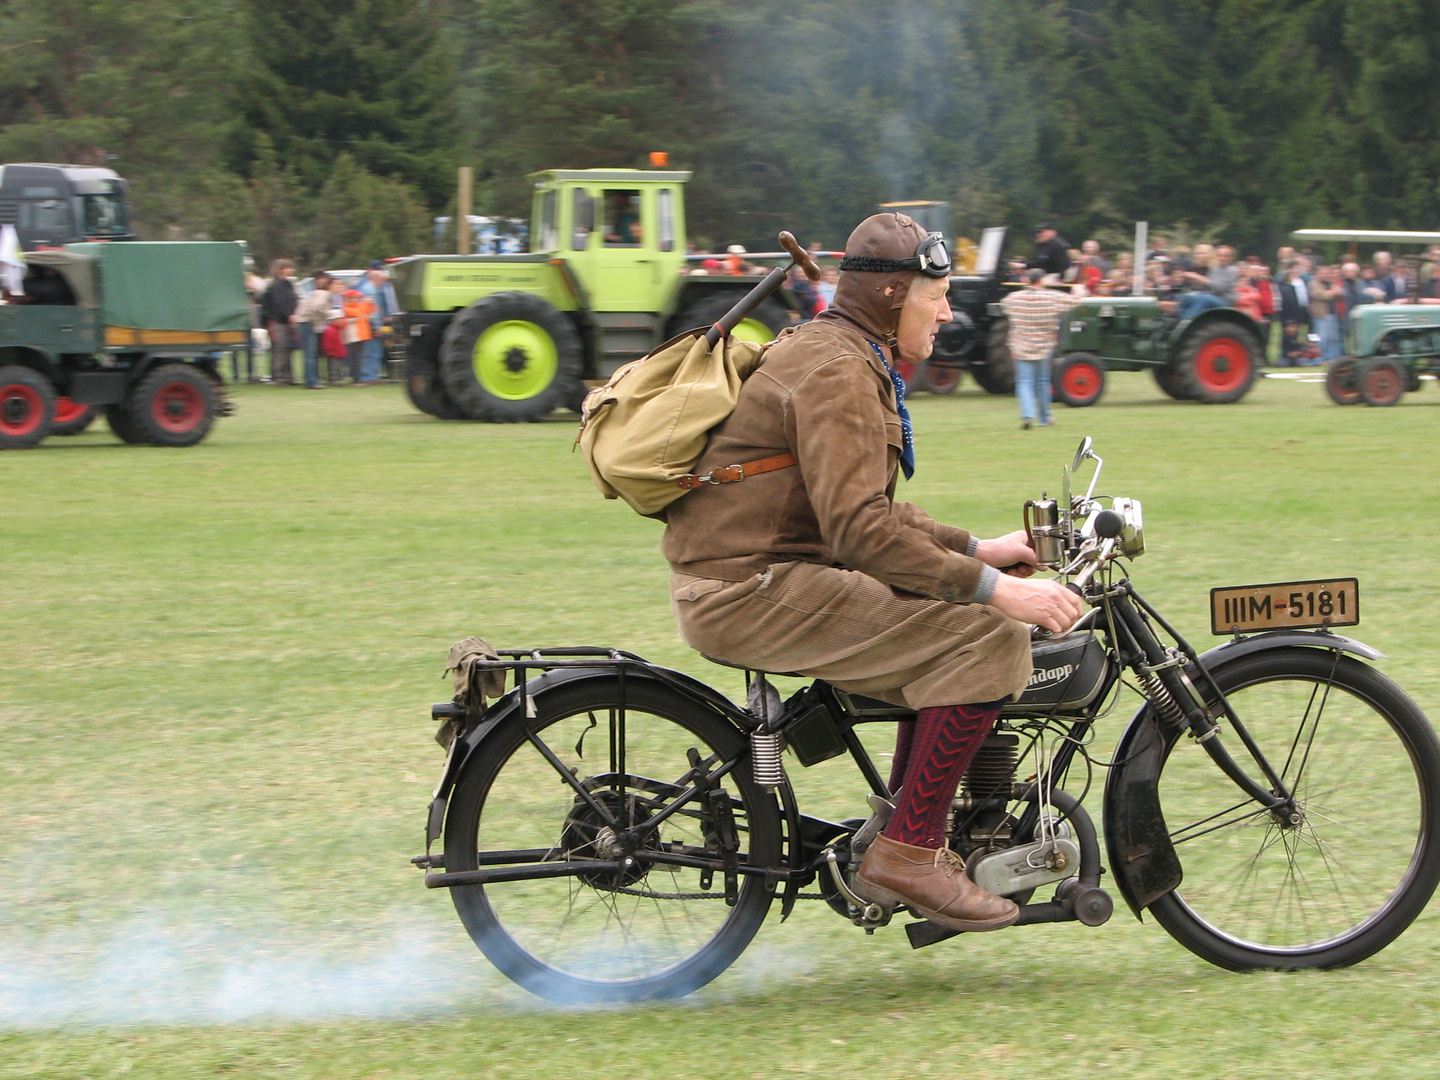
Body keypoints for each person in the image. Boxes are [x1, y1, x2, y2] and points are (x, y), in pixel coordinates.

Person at [663, 212, 1083, 933]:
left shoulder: (839, 350)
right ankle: (908, 855)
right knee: (989, 640)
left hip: (763, 575)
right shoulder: (839, 371)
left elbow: (868, 509)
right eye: (938, 294)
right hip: (752, 589)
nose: (948, 311)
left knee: (950, 630)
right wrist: (1002, 591)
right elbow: (860, 533)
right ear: (894, 293)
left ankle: (904, 839)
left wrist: (978, 548)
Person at [1002, 268, 1077, 429]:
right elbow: (1074, 301)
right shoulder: (1051, 297)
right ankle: (1044, 418)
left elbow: (1004, 306)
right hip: (1044, 345)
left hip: (1021, 345)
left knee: (1024, 381)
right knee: (1042, 382)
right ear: (1041, 280)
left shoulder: (1014, 298)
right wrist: (1078, 290)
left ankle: (1027, 414)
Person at [259, 259, 299, 384]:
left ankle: (289, 376)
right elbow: (279, 303)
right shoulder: (275, 286)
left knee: (288, 348)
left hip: (287, 320)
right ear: (280, 270)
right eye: (287, 268)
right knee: (281, 348)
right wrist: (289, 315)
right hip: (278, 321)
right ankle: (280, 376)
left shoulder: (288, 284)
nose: (291, 270)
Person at [296, 271, 338, 389]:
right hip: (309, 323)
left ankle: (310, 378)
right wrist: (328, 315)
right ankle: (312, 381)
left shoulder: (316, 292)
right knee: (311, 354)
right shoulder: (324, 294)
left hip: (305, 322)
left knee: (308, 353)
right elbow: (316, 308)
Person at [356, 261, 395, 384]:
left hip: (368, 325)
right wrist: (376, 327)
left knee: (374, 351)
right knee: (371, 352)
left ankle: (372, 375)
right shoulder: (371, 291)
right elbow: (374, 312)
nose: (383, 281)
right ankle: (368, 376)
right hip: (369, 326)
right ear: (377, 279)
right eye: (382, 279)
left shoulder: (368, 289)